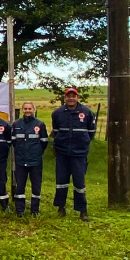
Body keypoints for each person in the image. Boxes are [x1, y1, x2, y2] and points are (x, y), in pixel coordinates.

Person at [51, 88, 96, 222]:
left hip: (79, 153)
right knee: (61, 181)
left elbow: (91, 132)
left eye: (73, 96)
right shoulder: (57, 113)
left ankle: (83, 210)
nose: (71, 98)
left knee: (79, 182)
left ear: (77, 97)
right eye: (68, 96)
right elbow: (55, 132)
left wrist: (83, 143)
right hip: (62, 153)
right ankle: (61, 207)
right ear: (65, 98)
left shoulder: (87, 112)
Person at [11, 102, 48, 217]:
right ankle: (20, 210)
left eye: (29, 108)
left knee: (36, 186)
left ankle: (35, 210)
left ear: (34, 109)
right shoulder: (16, 124)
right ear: (22, 110)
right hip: (21, 160)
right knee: (20, 186)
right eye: (25, 108)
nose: (27, 110)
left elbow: (44, 142)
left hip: (35, 161)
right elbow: (14, 141)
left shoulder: (40, 124)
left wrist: (36, 152)